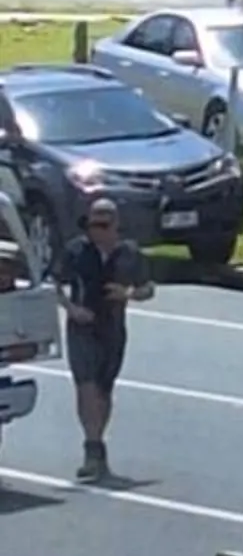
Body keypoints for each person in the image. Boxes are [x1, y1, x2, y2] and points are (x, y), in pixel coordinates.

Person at [60, 199, 152, 484]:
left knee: (103, 389)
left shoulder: (129, 253)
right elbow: (54, 283)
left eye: (102, 225)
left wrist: (127, 294)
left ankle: (98, 445)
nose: (95, 231)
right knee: (85, 386)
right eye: (92, 224)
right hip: (82, 327)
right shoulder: (76, 250)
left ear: (115, 225)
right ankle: (92, 449)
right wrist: (71, 308)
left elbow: (148, 288)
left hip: (112, 328)